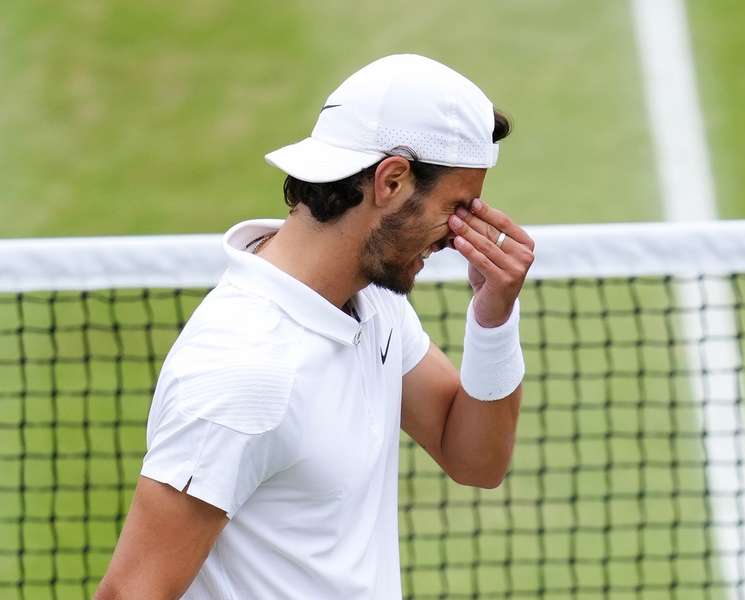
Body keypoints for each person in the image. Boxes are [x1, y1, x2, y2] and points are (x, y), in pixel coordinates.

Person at [95, 54, 533, 599]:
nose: (460, 234)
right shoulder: (244, 371)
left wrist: (493, 319)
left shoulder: (373, 304)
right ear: (391, 181)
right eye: (457, 206)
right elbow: (130, 593)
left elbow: (477, 460)